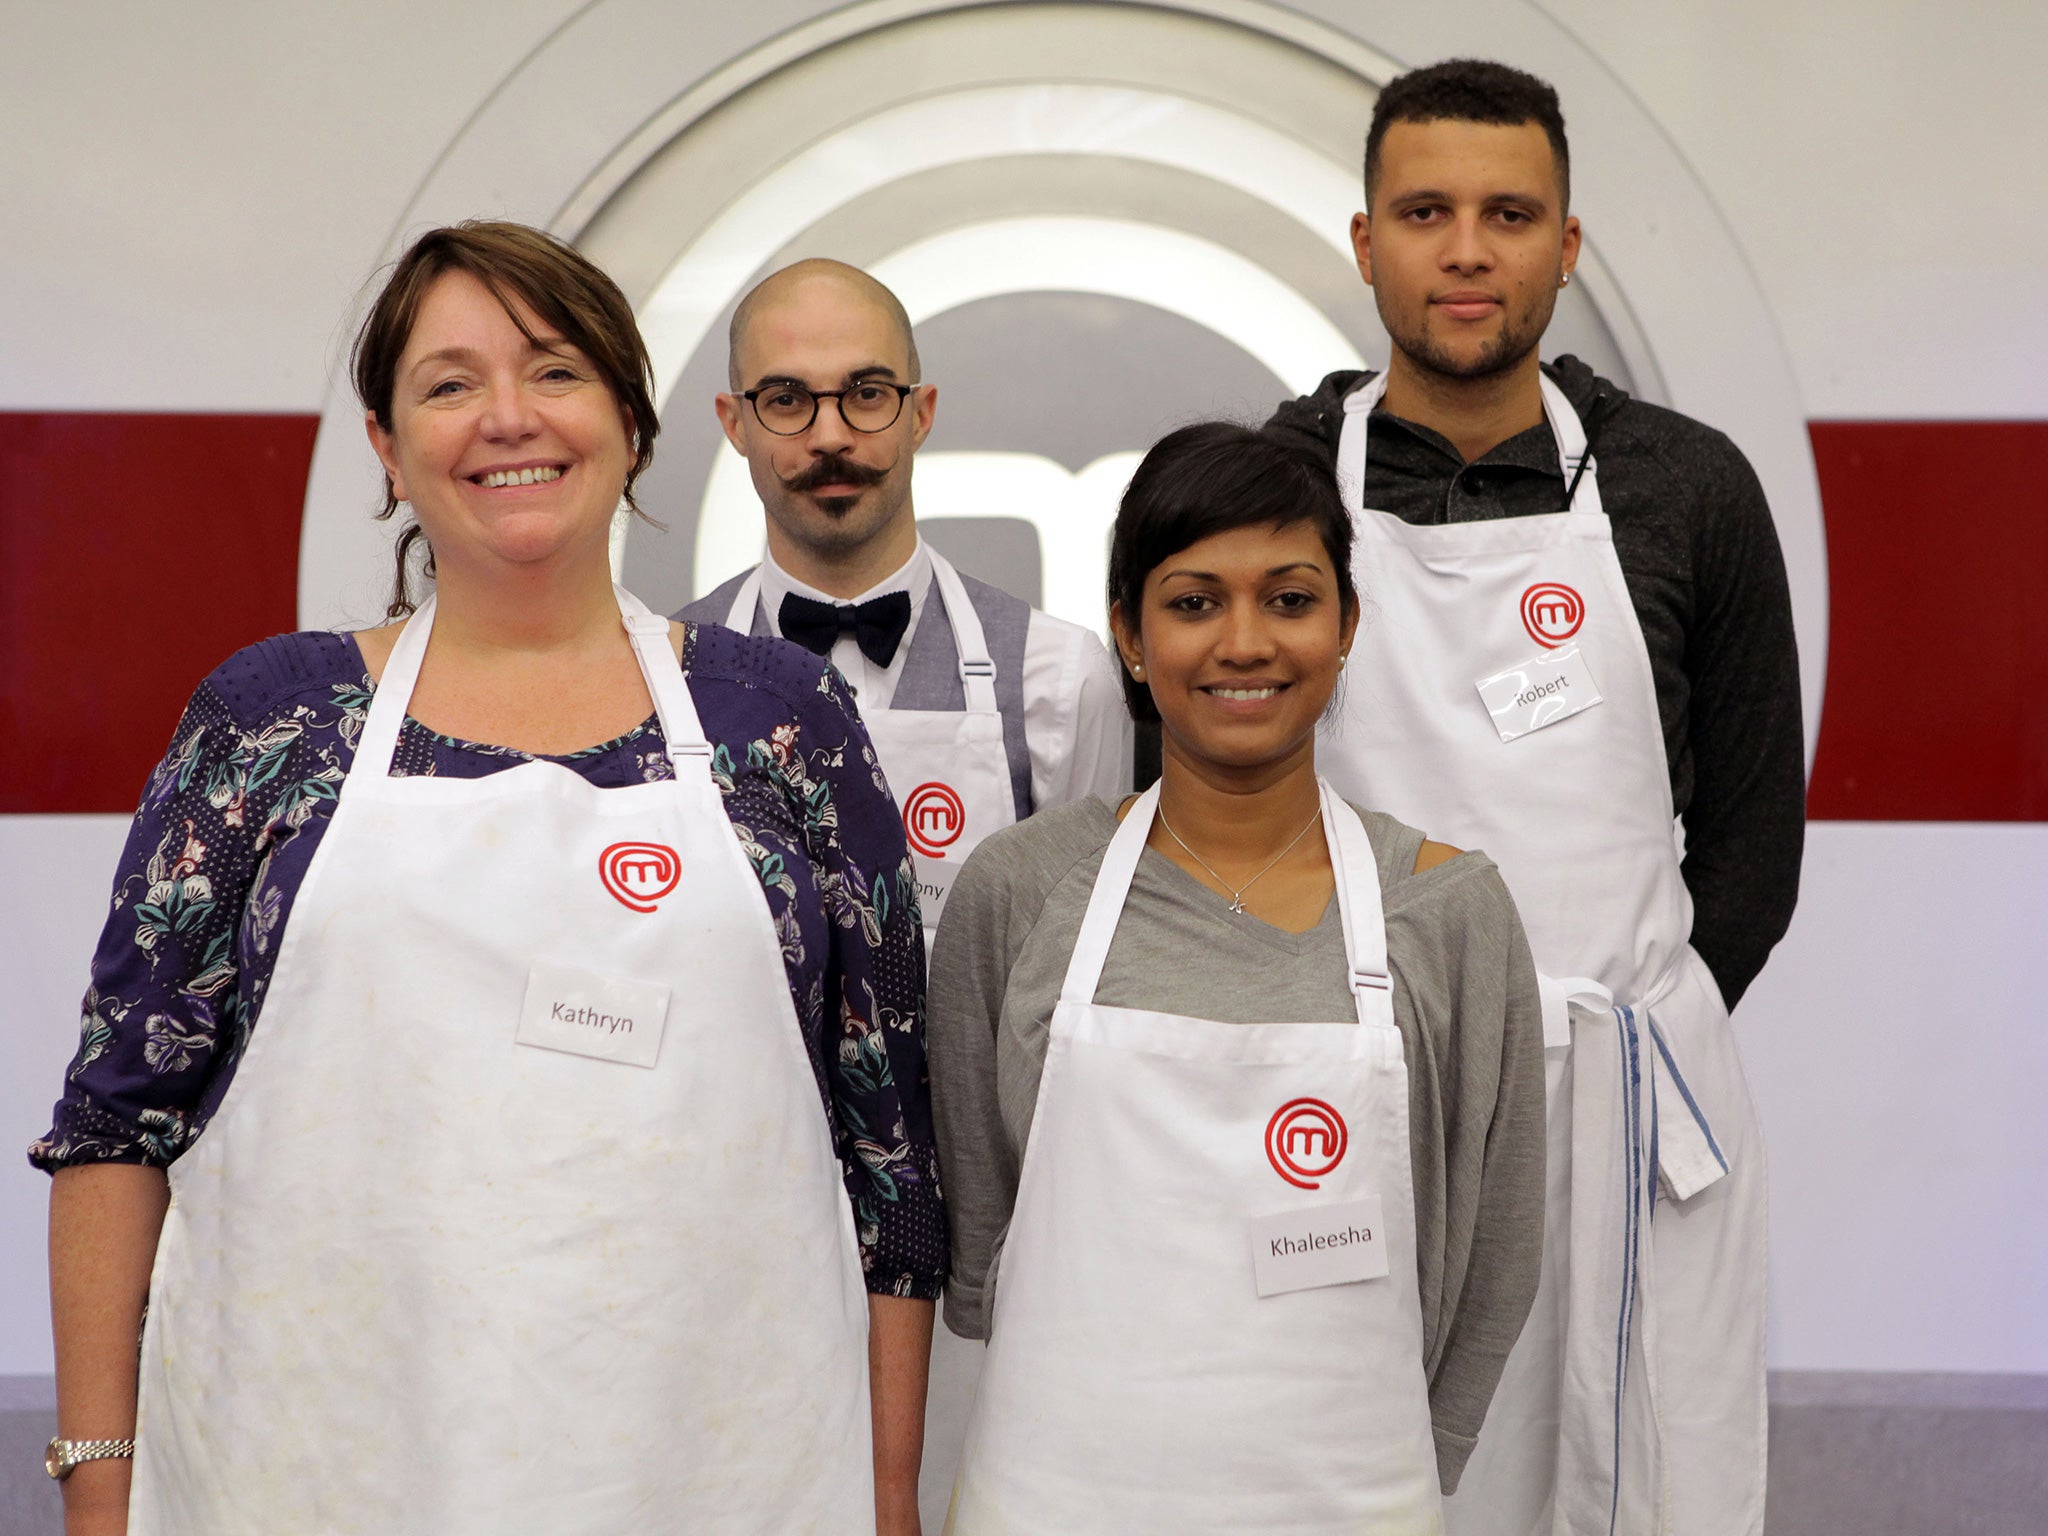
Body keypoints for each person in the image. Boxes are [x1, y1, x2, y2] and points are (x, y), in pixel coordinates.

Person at [32, 221, 938, 1536]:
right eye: (450, 385)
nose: (507, 418)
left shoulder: (784, 724)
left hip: (721, 1475)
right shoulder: (269, 726)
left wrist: (891, 1503)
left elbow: (893, 1164)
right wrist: (100, 1479)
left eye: (555, 370)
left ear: (633, 420)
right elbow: (117, 1130)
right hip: (316, 1472)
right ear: (389, 451)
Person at [1265, 59, 1803, 1536]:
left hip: (1622, 1112)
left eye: (1510, 214)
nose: (1466, 249)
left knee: (1635, 1484)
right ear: (1366, 240)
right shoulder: (1274, 479)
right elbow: (1201, 805)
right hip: (1356, 1102)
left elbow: (1755, 850)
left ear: (1567, 249)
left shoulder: (1688, 488)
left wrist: (1610, 1051)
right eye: (1426, 210)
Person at [926, 422, 1547, 1533]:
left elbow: (1493, 1249)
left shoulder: (1447, 911)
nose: (1244, 642)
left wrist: (1410, 1464)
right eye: (1193, 601)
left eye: (1290, 599)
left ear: (1347, 624)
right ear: (1125, 633)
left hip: (1348, 1500)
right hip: (1057, 1493)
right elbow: (977, 1233)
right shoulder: (1016, 893)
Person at [679, 260, 1129, 944]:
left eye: (865, 393)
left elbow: (1081, 963)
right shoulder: (661, 674)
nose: (829, 436)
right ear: (735, 423)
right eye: (786, 398)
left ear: (920, 413)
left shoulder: (1064, 676)